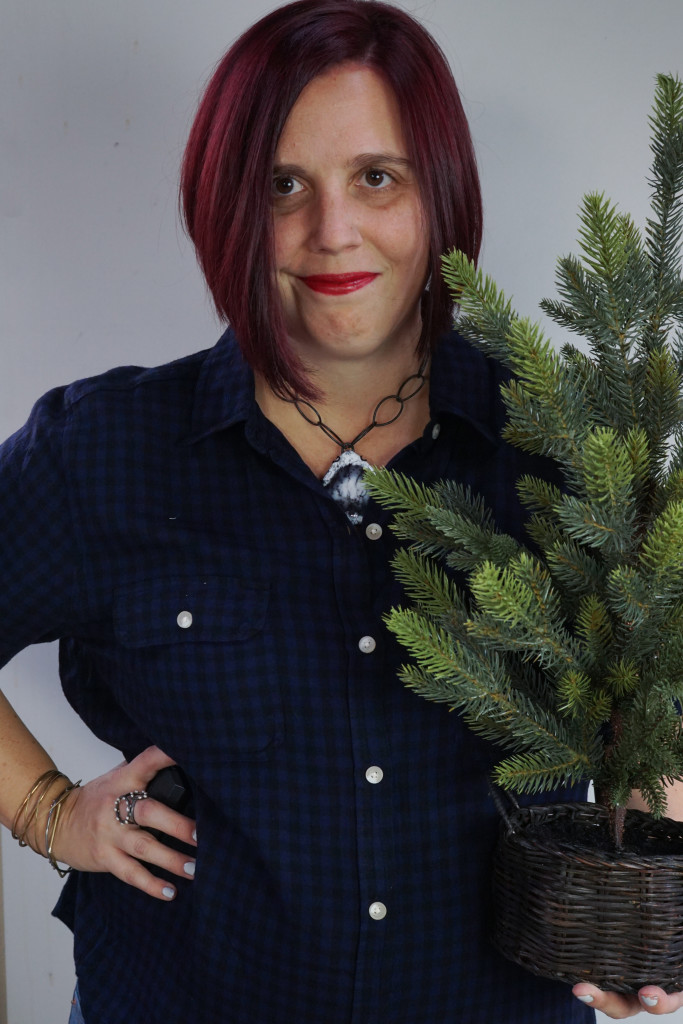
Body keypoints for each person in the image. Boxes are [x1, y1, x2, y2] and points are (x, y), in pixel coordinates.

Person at [0, 1, 681, 1021]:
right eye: (284, 185)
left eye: (375, 177)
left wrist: (646, 845)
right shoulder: (102, 454)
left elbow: (650, 685)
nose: (332, 231)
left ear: (437, 195)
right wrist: (50, 813)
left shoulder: (559, 447)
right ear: (227, 204)